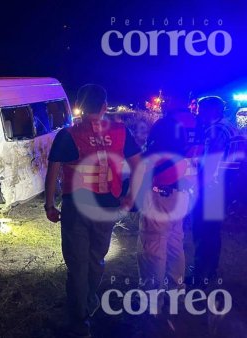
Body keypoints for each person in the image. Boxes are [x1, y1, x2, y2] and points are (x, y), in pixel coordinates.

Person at [44, 84, 142, 338]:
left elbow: (53, 170)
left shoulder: (68, 134)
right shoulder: (121, 132)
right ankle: (87, 302)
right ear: (104, 107)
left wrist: (49, 204)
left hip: (77, 207)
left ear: (80, 105)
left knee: (77, 265)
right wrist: (130, 197)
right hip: (108, 207)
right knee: (96, 259)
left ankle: (79, 323)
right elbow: (138, 164)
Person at [135, 106, 202, 315]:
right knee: (175, 246)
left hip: (158, 200)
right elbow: (192, 182)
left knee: (153, 248)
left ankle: (152, 299)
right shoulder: (184, 158)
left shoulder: (153, 158)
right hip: (180, 203)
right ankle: (176, 291)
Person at [192, 96, 238, 285]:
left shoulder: (216, 130)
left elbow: (210, 162)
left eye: (201, 111)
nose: (198, 114)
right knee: (212, 230)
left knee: (203, 230)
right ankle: (209, 270)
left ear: (213, 111)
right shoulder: (230, 127)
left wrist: (196, 187)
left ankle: (201, 273)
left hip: (212, 187)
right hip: (224, 186)